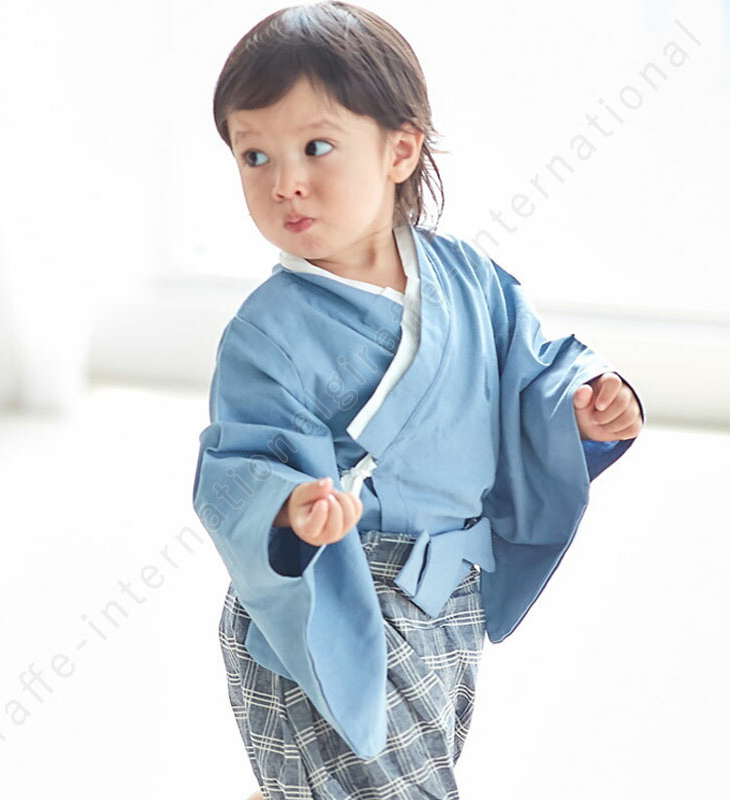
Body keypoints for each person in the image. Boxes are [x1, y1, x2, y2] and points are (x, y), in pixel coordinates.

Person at [192, 3, 644, 798]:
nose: (284, 181)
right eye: (253, 155)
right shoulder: (265, 335)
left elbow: (533, 374)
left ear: (399, 150)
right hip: (330, 603)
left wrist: (581, 406)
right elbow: (237, 468)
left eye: (315, 147)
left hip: (447, 596)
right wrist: (291, 507)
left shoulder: (466, 278)